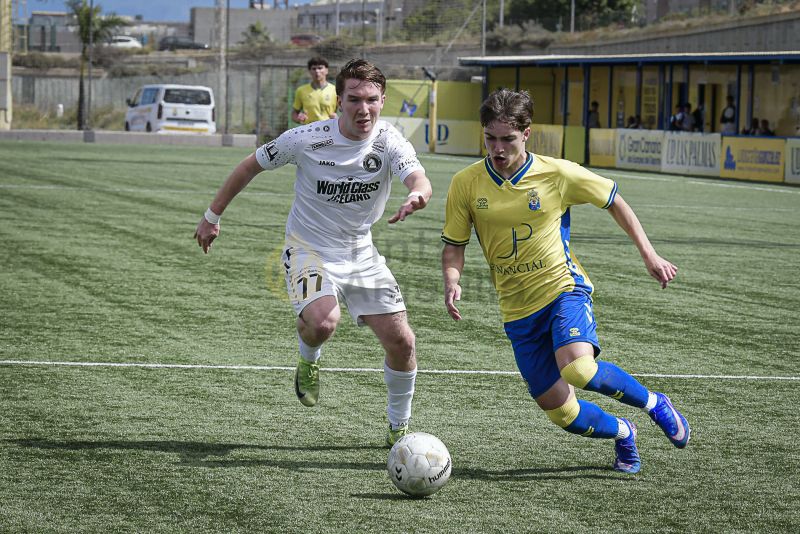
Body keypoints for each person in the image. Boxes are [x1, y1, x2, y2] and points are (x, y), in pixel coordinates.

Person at [441, 89, 690, 474]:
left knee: (579, 369)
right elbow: (455, 245)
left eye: (508, 138)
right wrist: (452, 280)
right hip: (516, 310)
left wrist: (649, 255)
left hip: (563, 289)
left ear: (527, 133)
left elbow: (614, 199)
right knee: (563, 413)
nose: (498, 148)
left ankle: (655, 404)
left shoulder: (557, 173)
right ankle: (624, 431)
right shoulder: (466, 183)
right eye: (490, 138)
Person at [195, 59, 433, 446]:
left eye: (371, 100)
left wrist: (418, 194)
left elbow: (418, 177)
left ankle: (398, 430)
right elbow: (249, 166)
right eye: (354, 99)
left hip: (361, 252)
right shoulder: (305, 139)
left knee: (402, 342)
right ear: (339, 101)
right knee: (323, 322)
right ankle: (309, 358)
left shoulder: (390, 140)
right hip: (308, 248)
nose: (364, 109)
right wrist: (212, 216)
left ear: (382, 101)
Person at [291, 56, 338, 124]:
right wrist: (299, 118)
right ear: (309, 71)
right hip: (309, 128)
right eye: (314, 68)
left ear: (326, 70)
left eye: (320, 68)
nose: (317, 71)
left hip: (329, 128)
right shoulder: (301, 90)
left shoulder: (335, 90)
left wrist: (337, 118)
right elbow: (294, 113)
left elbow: (345, 111)